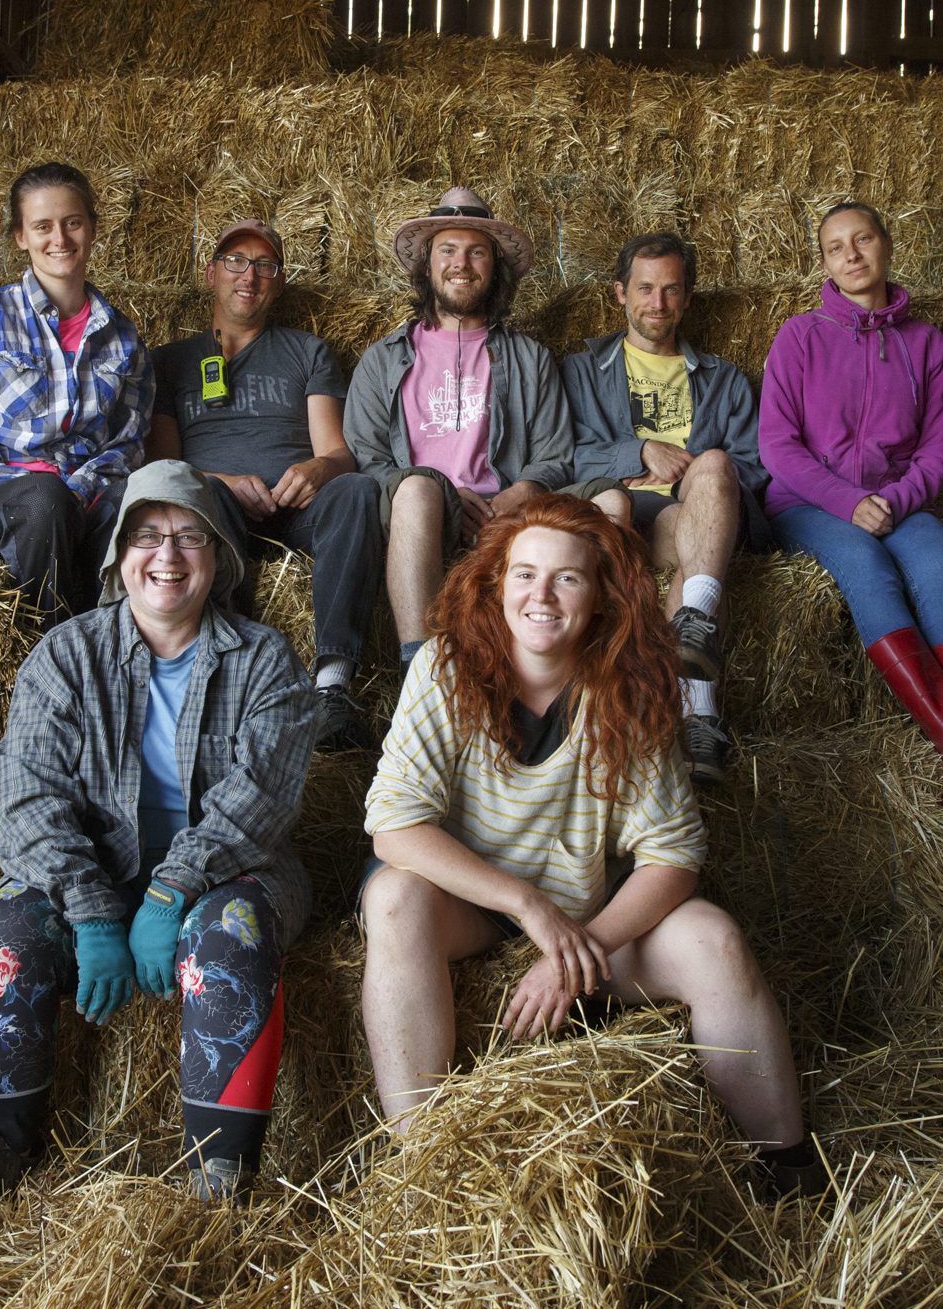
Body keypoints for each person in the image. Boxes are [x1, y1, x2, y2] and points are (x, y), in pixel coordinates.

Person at [358, 493, 822, 1198]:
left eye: (566, 578)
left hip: (589, 919)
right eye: (524, 574)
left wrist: (578, 950)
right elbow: (393, 826)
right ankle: (418, 1162)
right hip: (471, 909)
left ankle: (787, 1171)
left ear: (601, 594)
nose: (540, 596)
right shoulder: (445, 667)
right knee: (392, 897)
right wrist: (528, 906)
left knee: (715, 940)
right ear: (495, 583)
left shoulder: (627, 687)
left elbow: (673, 857)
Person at [0, 461, 315, 1242]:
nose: (168, 554)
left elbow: (261, 799)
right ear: (119, 553)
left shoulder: (265, 660)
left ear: (220, 554)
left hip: (229, 873)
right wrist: (93, 911)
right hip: (91, 873)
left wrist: (171, 890)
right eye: (147, 535)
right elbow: (27, 798)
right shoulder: (65, 656)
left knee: (227, 939)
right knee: (1, 936)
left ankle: (218, 1189)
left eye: (190, 535)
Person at [759, 202, 943, 813]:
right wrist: (849, 501)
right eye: (836, 247)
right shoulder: (799, 336)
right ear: (825, 264)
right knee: (866, 565)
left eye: (862, 239)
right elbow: (777, 446)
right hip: (809, 504)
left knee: (942, 566)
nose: (852, 255)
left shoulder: (926, 344)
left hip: (897, 502)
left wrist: (891, 499)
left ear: (886, 245)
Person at [149, 219, 383, 750]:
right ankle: (227, 680)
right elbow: (162, 466)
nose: (248, 275)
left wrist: (319, 470)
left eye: (264, 265)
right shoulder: (168, 361)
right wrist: (221, 483)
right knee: (199, 495)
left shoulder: (308, 352)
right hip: (215, 506)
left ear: (278, 284)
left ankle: (332, 686)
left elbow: (338, 453)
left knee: (359, 490)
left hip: (296, 505)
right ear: (210, 274)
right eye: (235, 261)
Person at [344, 187, 593, 675]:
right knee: (418, 491)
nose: (462, 263)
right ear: (427, 266)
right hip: (414, 519)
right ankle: (421, 673)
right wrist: (441, 497)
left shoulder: (531, 360)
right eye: (448, 250)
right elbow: (366, 458)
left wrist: (524, 490)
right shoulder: (382, 361)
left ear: (494, 267)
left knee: (605, 500)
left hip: (504, 517)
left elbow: (556, 453)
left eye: (477, 251)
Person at [563, 232, 770, 785]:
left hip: (691, 515)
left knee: (715, 472)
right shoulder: (581, 371)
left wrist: (697, 476)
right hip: (618, 511)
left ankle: (693, 640)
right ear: (620, 293)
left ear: (688, 297)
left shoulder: (725, 380)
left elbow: (753, 468)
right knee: (695, 549)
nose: (658, 303)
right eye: (645, 289)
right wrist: (640, 451)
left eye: (671, 290)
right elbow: (563, 455)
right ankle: (701, 716)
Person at [0, 162, 153, 625]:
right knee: (43, 501)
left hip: (86, 492)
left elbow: (128, 442)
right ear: (20, 237)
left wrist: (80, 489)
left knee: (143, 508)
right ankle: (51, 653)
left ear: (92, 229)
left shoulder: (124, 338)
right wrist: (26, 482)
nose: (60, 239)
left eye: (73, 222)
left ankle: (120, 646)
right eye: (42, 226)